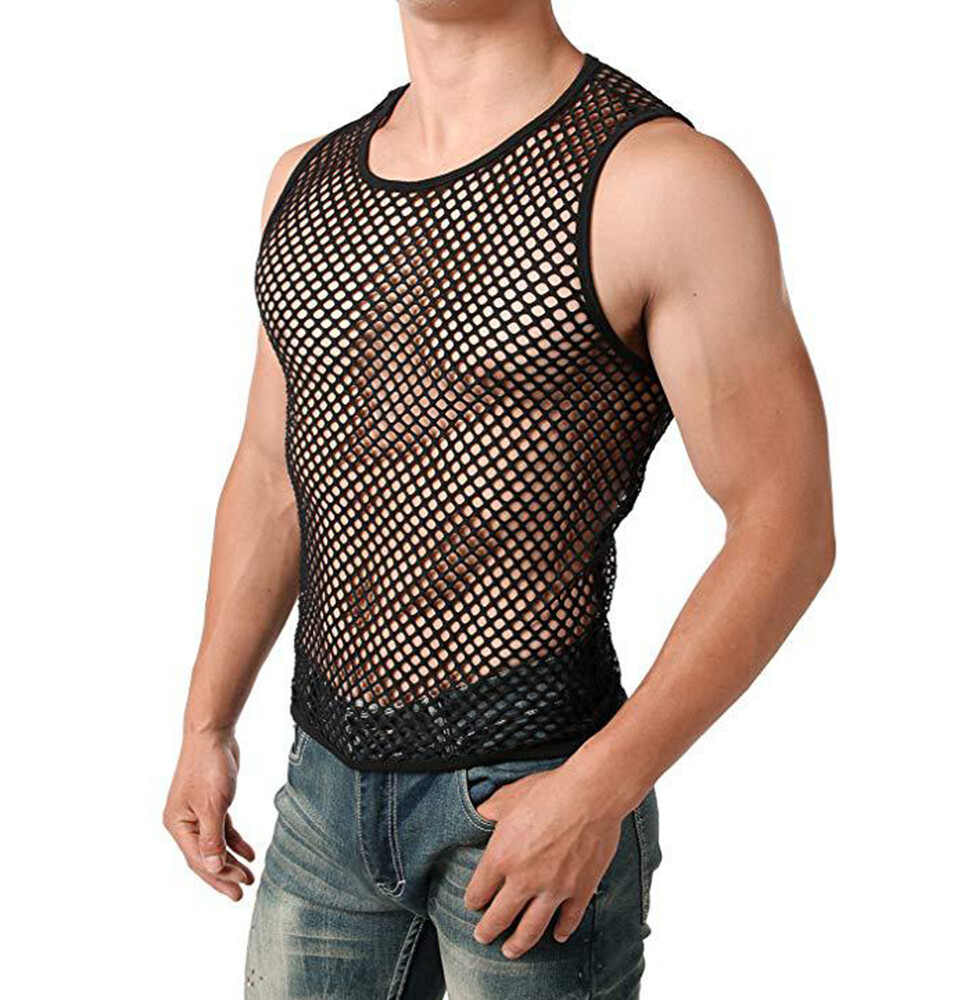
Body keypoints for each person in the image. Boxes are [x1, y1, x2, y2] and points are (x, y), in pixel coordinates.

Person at [163, 1, 835, 997]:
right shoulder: (303, 181)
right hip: (320, 794)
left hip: (534, 797)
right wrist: (205, 723)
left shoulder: (661, 183)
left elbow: (787, 526)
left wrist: (600, 788)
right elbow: (271, 471)